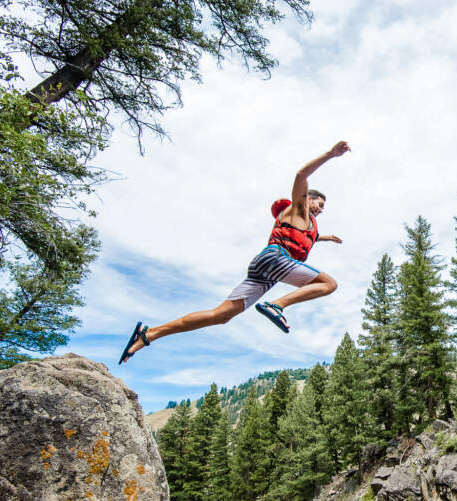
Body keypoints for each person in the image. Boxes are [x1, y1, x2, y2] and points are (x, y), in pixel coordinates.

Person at [119, 140, 352, 363]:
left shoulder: (309, 226)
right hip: (276, 259)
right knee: (329, 284)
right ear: (307, 199)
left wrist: (324, 238)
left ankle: (150, 334)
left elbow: (303, 238)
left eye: (323, 207)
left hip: (266, 269)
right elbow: (301, 176)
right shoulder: (299, 208)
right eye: (318, 204)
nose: (320, 209)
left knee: (221, 315)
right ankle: (276, 305)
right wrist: (331, 154)